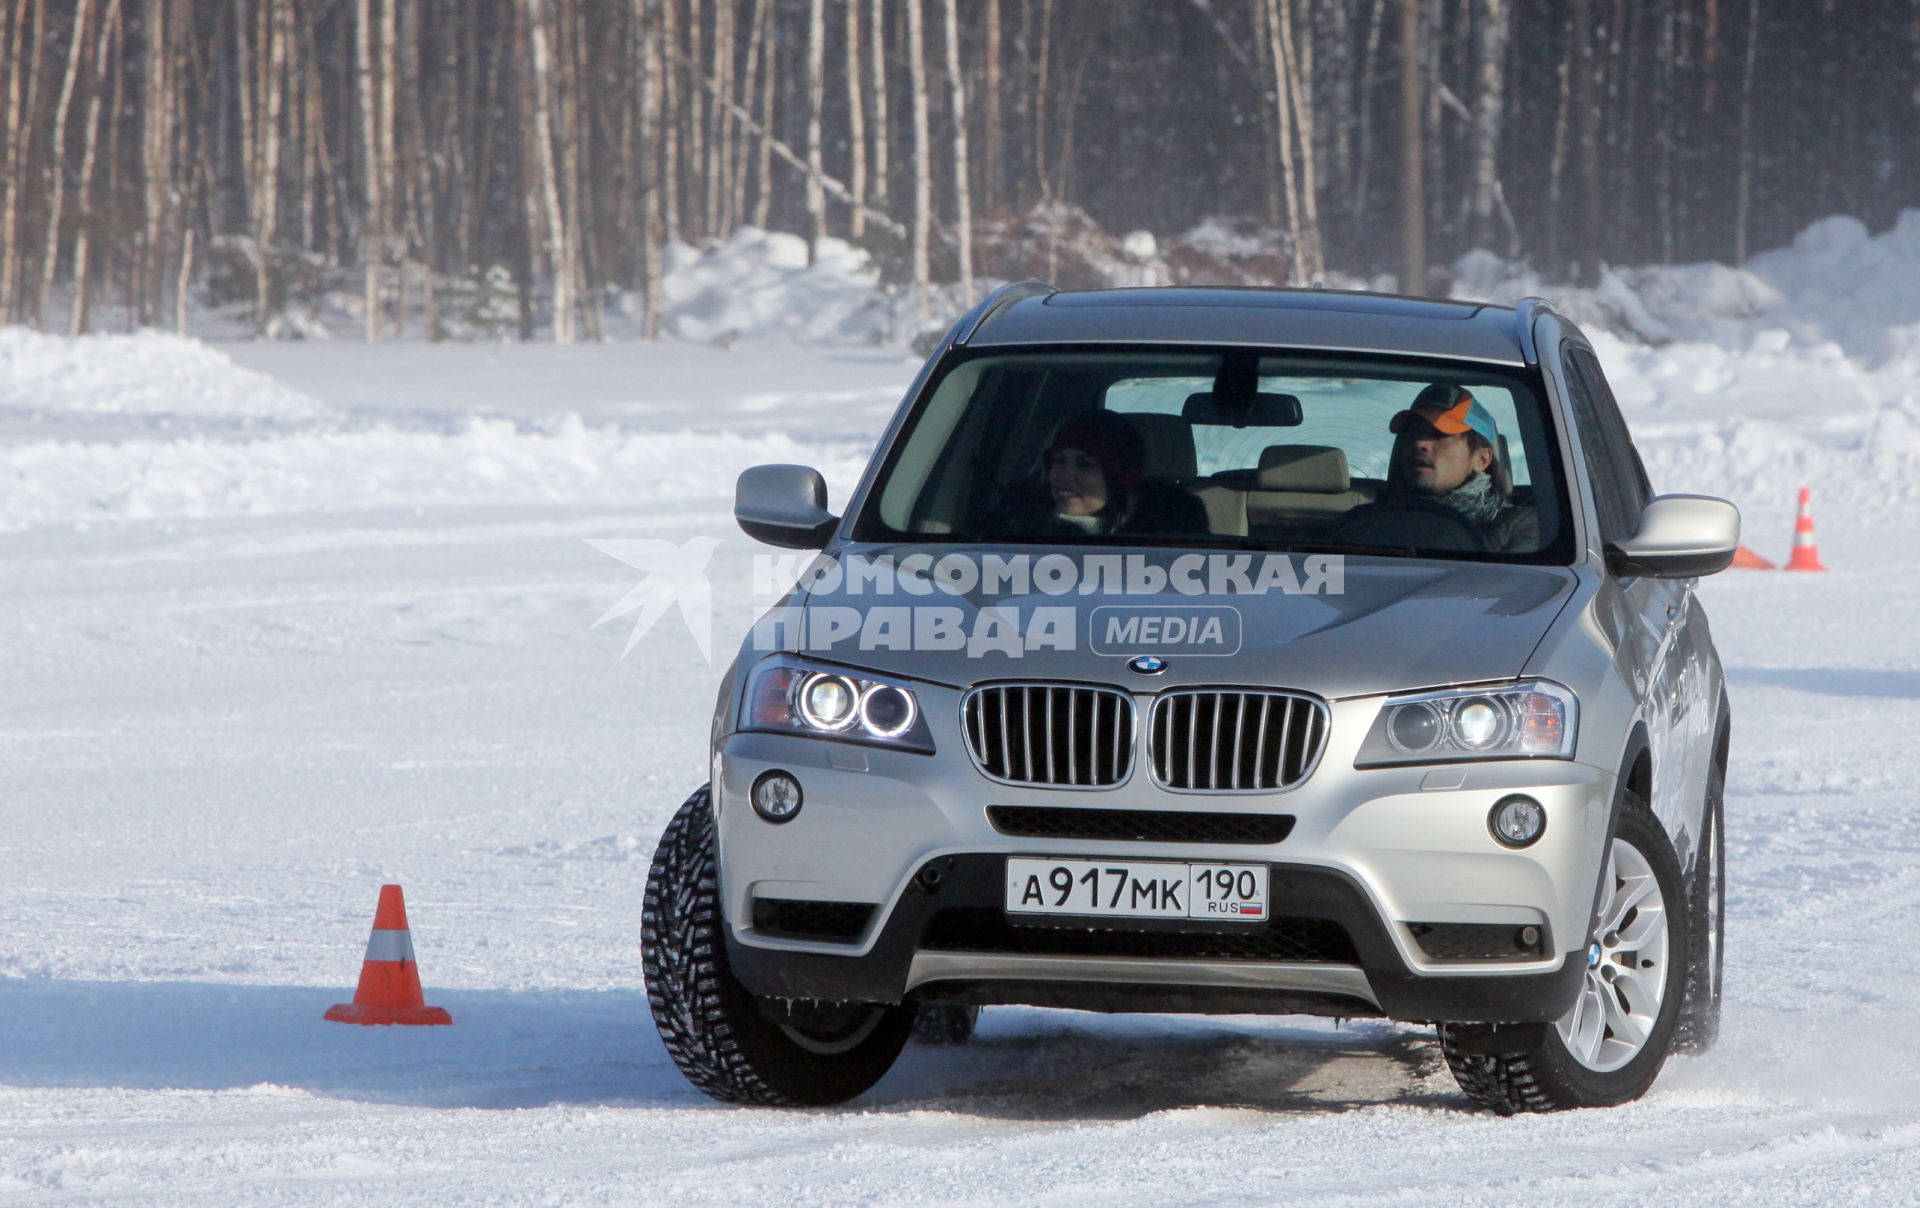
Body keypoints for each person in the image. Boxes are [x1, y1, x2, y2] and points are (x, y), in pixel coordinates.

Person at [1376, 384, 1539, 553]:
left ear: (1481, 459)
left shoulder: (1520, 528)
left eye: (1439, 434)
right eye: (1413, 433)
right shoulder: (1372, 521)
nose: (1419, 443)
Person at [1021, 410, 1207, 538]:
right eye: (1059, 461)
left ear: (1119, 476)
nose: (1064, 475)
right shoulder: (1016, 530)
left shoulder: (1175, 537)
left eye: (1085, 465)